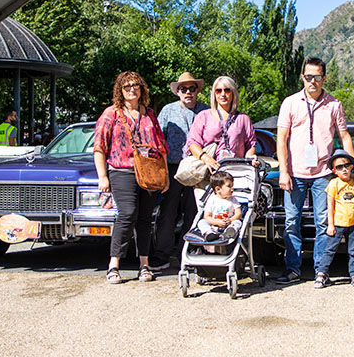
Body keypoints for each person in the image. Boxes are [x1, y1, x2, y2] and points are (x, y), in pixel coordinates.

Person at [275, 57, 354, 284]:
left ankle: (321, 270)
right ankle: (293, 269)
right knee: (292, 221)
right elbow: (281, 138)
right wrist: (283, 170)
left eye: (317, 77)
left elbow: (344, 136)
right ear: (303, 77)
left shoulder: (334, 104)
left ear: (324, 78)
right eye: (308, 77)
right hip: (295, 173)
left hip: (323, 174)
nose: (312, 81)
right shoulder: (290, 103)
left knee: (323, 222)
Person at [93, 71, 168, 284]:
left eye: (135, 85)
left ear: (141, 88)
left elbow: (161, 146)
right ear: (120, 91)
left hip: (149, 173)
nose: (132, 89)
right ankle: (113, 264)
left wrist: (165, 177)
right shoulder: (111, 114)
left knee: (145, 219)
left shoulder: (149, 115)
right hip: (122, 171)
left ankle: (144, 264)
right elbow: (99, 146)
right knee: (127, 214)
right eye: (126, 87)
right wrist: (102, 177)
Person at [152, 71, 208, 270]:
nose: (188, 92)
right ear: (177, 91)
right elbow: (158, 139)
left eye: (191, 88)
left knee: (195, 211)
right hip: (174, 168)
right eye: (183, 89)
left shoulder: (206, 111)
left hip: (198, 168)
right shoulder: (168, 111)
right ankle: (162, 255)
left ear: (197, 91)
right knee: (168, 212)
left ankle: (189, 252)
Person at [314, 150, 354, 289]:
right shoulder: (334, 184)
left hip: (353, 224)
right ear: (334, 170)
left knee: (352, 251)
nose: (344, 169)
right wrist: (330, 224)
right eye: (339, 167)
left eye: (347, 165)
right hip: (337, 223)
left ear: (351, 167)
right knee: (329, 250)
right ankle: (321, 274)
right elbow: (330, 206)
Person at [186, 76, 258, 169]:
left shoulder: (243, 119)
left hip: (235, 171)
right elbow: (192, 143)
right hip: (208, 171)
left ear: (233, 93)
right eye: (218, 91)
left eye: (227, 90)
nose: (223, 94)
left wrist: (250, 158)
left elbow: (251, 144)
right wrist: (207, 159)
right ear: (214, 94)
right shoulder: (203, 116)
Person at [186, 170, 242, 242]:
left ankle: (230, 232)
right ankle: (209, 233)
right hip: (213, 225)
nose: (232, 189)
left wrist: (231, 220)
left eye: (232, 186)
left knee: (238, 222)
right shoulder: (212, 200)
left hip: (228, 224)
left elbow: (238, 213)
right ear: (218, 189)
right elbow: (207, 216)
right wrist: (216, 222)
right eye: (229, 186)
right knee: (202, 222)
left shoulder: (233, 200)